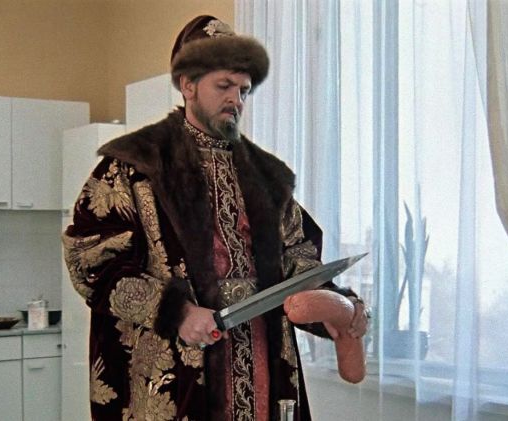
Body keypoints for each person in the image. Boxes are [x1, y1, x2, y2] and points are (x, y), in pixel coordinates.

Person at [62, 15, 369, 421]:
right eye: (224, 86)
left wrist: (337, 307)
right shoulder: (134, 166)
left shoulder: (266, 177)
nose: (236, 100)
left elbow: (299, 260)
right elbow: (90, 261)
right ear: (188, 84)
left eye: (243, 89)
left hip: (262, 368)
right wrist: (177, 312)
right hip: (177, 374)